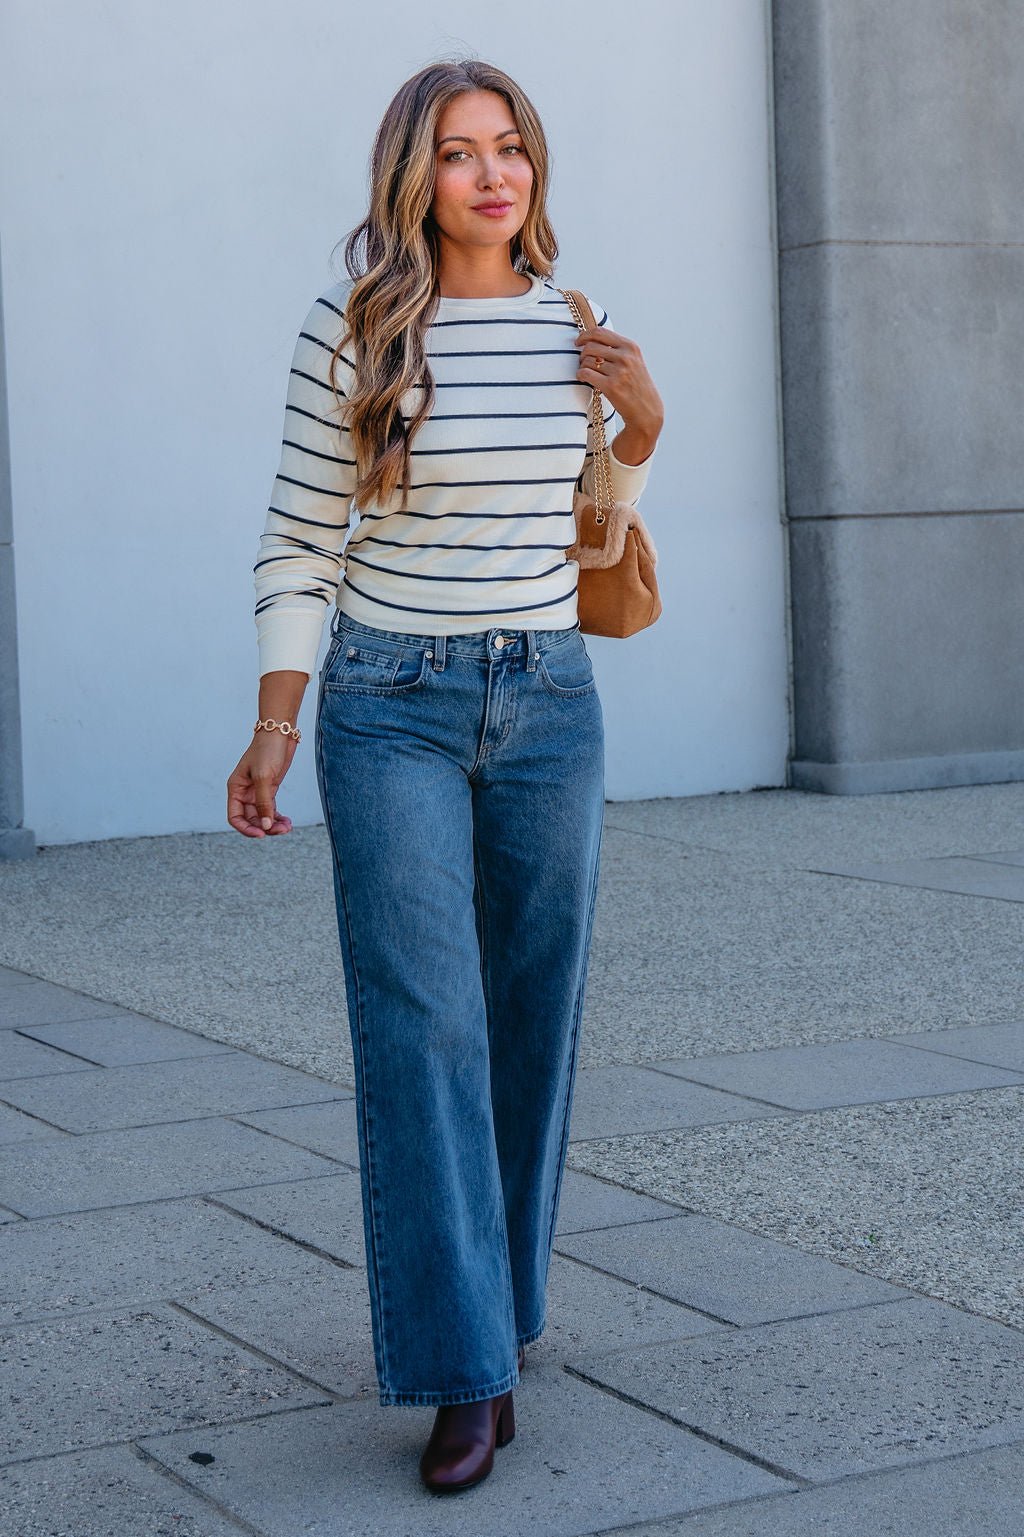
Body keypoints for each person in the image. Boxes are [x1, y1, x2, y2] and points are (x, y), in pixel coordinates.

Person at [226, 57, 663, 1493]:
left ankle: (504, 1312)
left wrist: (643, 433)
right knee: (425, 1026)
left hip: (548, 697)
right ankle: (462, 1373)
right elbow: (301, 535)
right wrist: (277, 722)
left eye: (512, 148)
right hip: (388, 704)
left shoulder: (576, 322)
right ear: (414, 175)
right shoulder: (354, 331)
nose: (494, 174)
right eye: (463, 152)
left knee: (534, 1016)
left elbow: (592, 528)